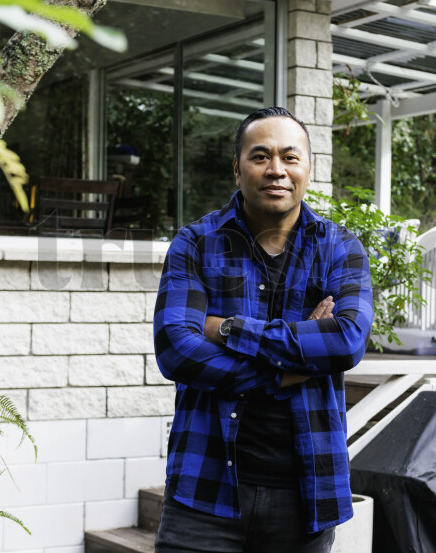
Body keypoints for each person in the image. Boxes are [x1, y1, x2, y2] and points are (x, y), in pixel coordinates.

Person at [152, 107, 374, 553]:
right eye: (260, 156)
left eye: (290, 157)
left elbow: (346, 340)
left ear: (308, 168)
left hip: (306, 498)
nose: (277, 170)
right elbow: (176, 349)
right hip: (204, 492)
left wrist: (229, 328)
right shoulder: (196, 243)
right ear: (237, 168)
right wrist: (288, 367)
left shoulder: (339, 248)